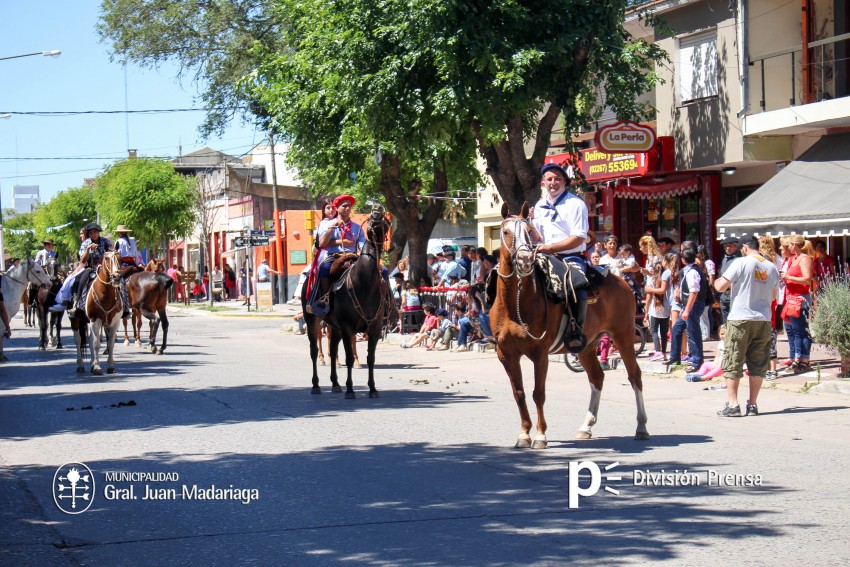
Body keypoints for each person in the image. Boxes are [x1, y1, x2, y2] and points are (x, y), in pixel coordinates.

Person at [713, 234, 780, 417]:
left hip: (740, 317)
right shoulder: (771, 266)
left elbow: (720, 286)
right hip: (763, 319)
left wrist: (720, 281)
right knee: (758, 363)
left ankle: (733, 404)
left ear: (743, 248)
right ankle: (752, 404)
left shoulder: (741, 262)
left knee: (733, 359)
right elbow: (775, 295)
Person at [528, 162, 590, 352]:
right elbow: (537, 238)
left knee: (576, 284)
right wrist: (529, 225)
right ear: (543, 183)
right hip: (544, 256)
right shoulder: (539, 206)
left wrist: (551, 247)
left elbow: (579, 237)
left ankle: (576, 329)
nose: (553, 182)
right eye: (549, 179)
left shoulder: (575, 204)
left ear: (565, 182)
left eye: (558, 179)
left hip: (570, 257)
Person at [51, 222, 113, 313]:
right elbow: (82, 260)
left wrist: (103, 261)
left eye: (95, 232)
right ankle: (76, 304)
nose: (93, 234)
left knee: (119, 279)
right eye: (91, 233)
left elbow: (111, 254)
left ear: (98, 232)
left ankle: (123, 306)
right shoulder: (86, 243)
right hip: (89, 267)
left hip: (105, 267)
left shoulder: (106, 242)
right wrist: (88, 249)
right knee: (76, 281)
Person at [780, 235, 814, 375]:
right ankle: (797, 359)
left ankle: (804, 360)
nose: (788, 247)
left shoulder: (805, 259)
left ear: (795, 245)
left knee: (801, 330)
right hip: (792, 298)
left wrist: (789, 277)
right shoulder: (794, 258)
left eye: (790, 245)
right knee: (794, 330)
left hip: (801, 299)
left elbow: (807, 280)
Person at [669, 248, 706, 370]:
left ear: (683, 260)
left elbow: (694, 292)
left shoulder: (692, 272)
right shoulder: (689, 270)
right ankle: (674, 358)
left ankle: (697, 362)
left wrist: (687, 310)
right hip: (689, 305)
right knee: (676, 329)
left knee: (692, 333)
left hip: (693, 305)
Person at [643, 257, 671, 362]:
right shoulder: (666, 278)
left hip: (655, 307)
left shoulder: (651, 279)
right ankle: (663, 352)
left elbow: (649, 297)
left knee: (654, 330)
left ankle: (658, 350)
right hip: (666, 307)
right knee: (664, 332)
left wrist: (646, 311)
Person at [113, 225, 139, 319]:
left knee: (118, 281)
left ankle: (125, 307)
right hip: (133, 264)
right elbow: (135, 254)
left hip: (124, 264)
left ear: (120, 233)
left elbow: (117, 256)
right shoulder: (133, 241)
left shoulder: (118, 241)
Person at [717, 236, 742, 325]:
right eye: (725, 246)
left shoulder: (739, 259)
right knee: (725, 318)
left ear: (736, 246)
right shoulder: (725, 258)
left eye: (730, 246)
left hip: (734, 292)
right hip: (724, 293)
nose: (727, 248)